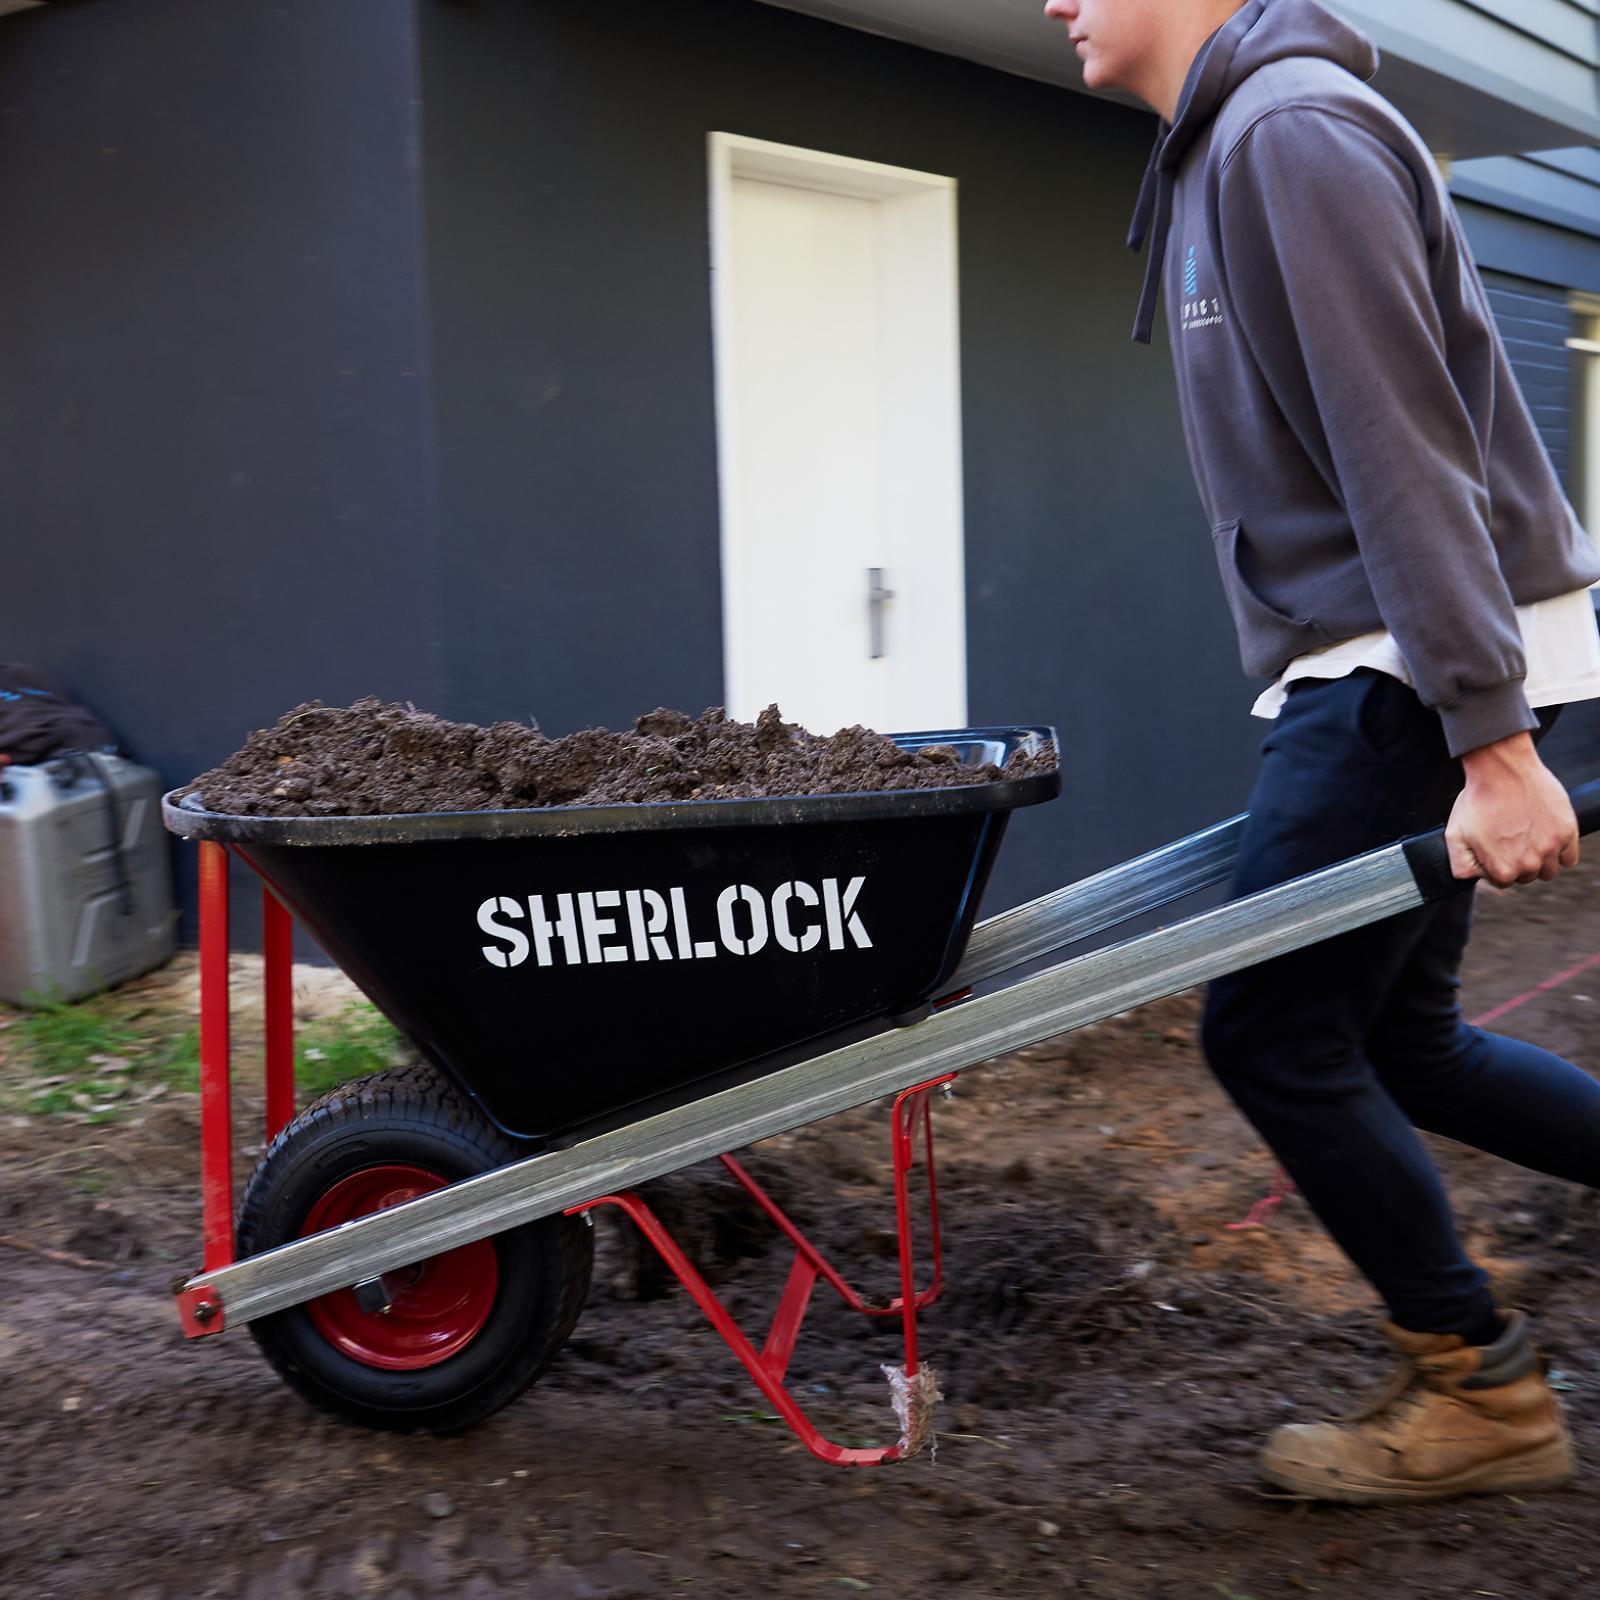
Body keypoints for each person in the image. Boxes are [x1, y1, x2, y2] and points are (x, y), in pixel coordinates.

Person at [1042, 0, 1600, 1503]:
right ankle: (1476, 1378)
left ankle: (1480, 1392)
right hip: (1394, 660)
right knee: (1402, 1046)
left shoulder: (1291, 133)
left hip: (1402, 669)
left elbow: (1400, 444)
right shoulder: (1236, 144)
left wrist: (1488, 736)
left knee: (1273, 1036)